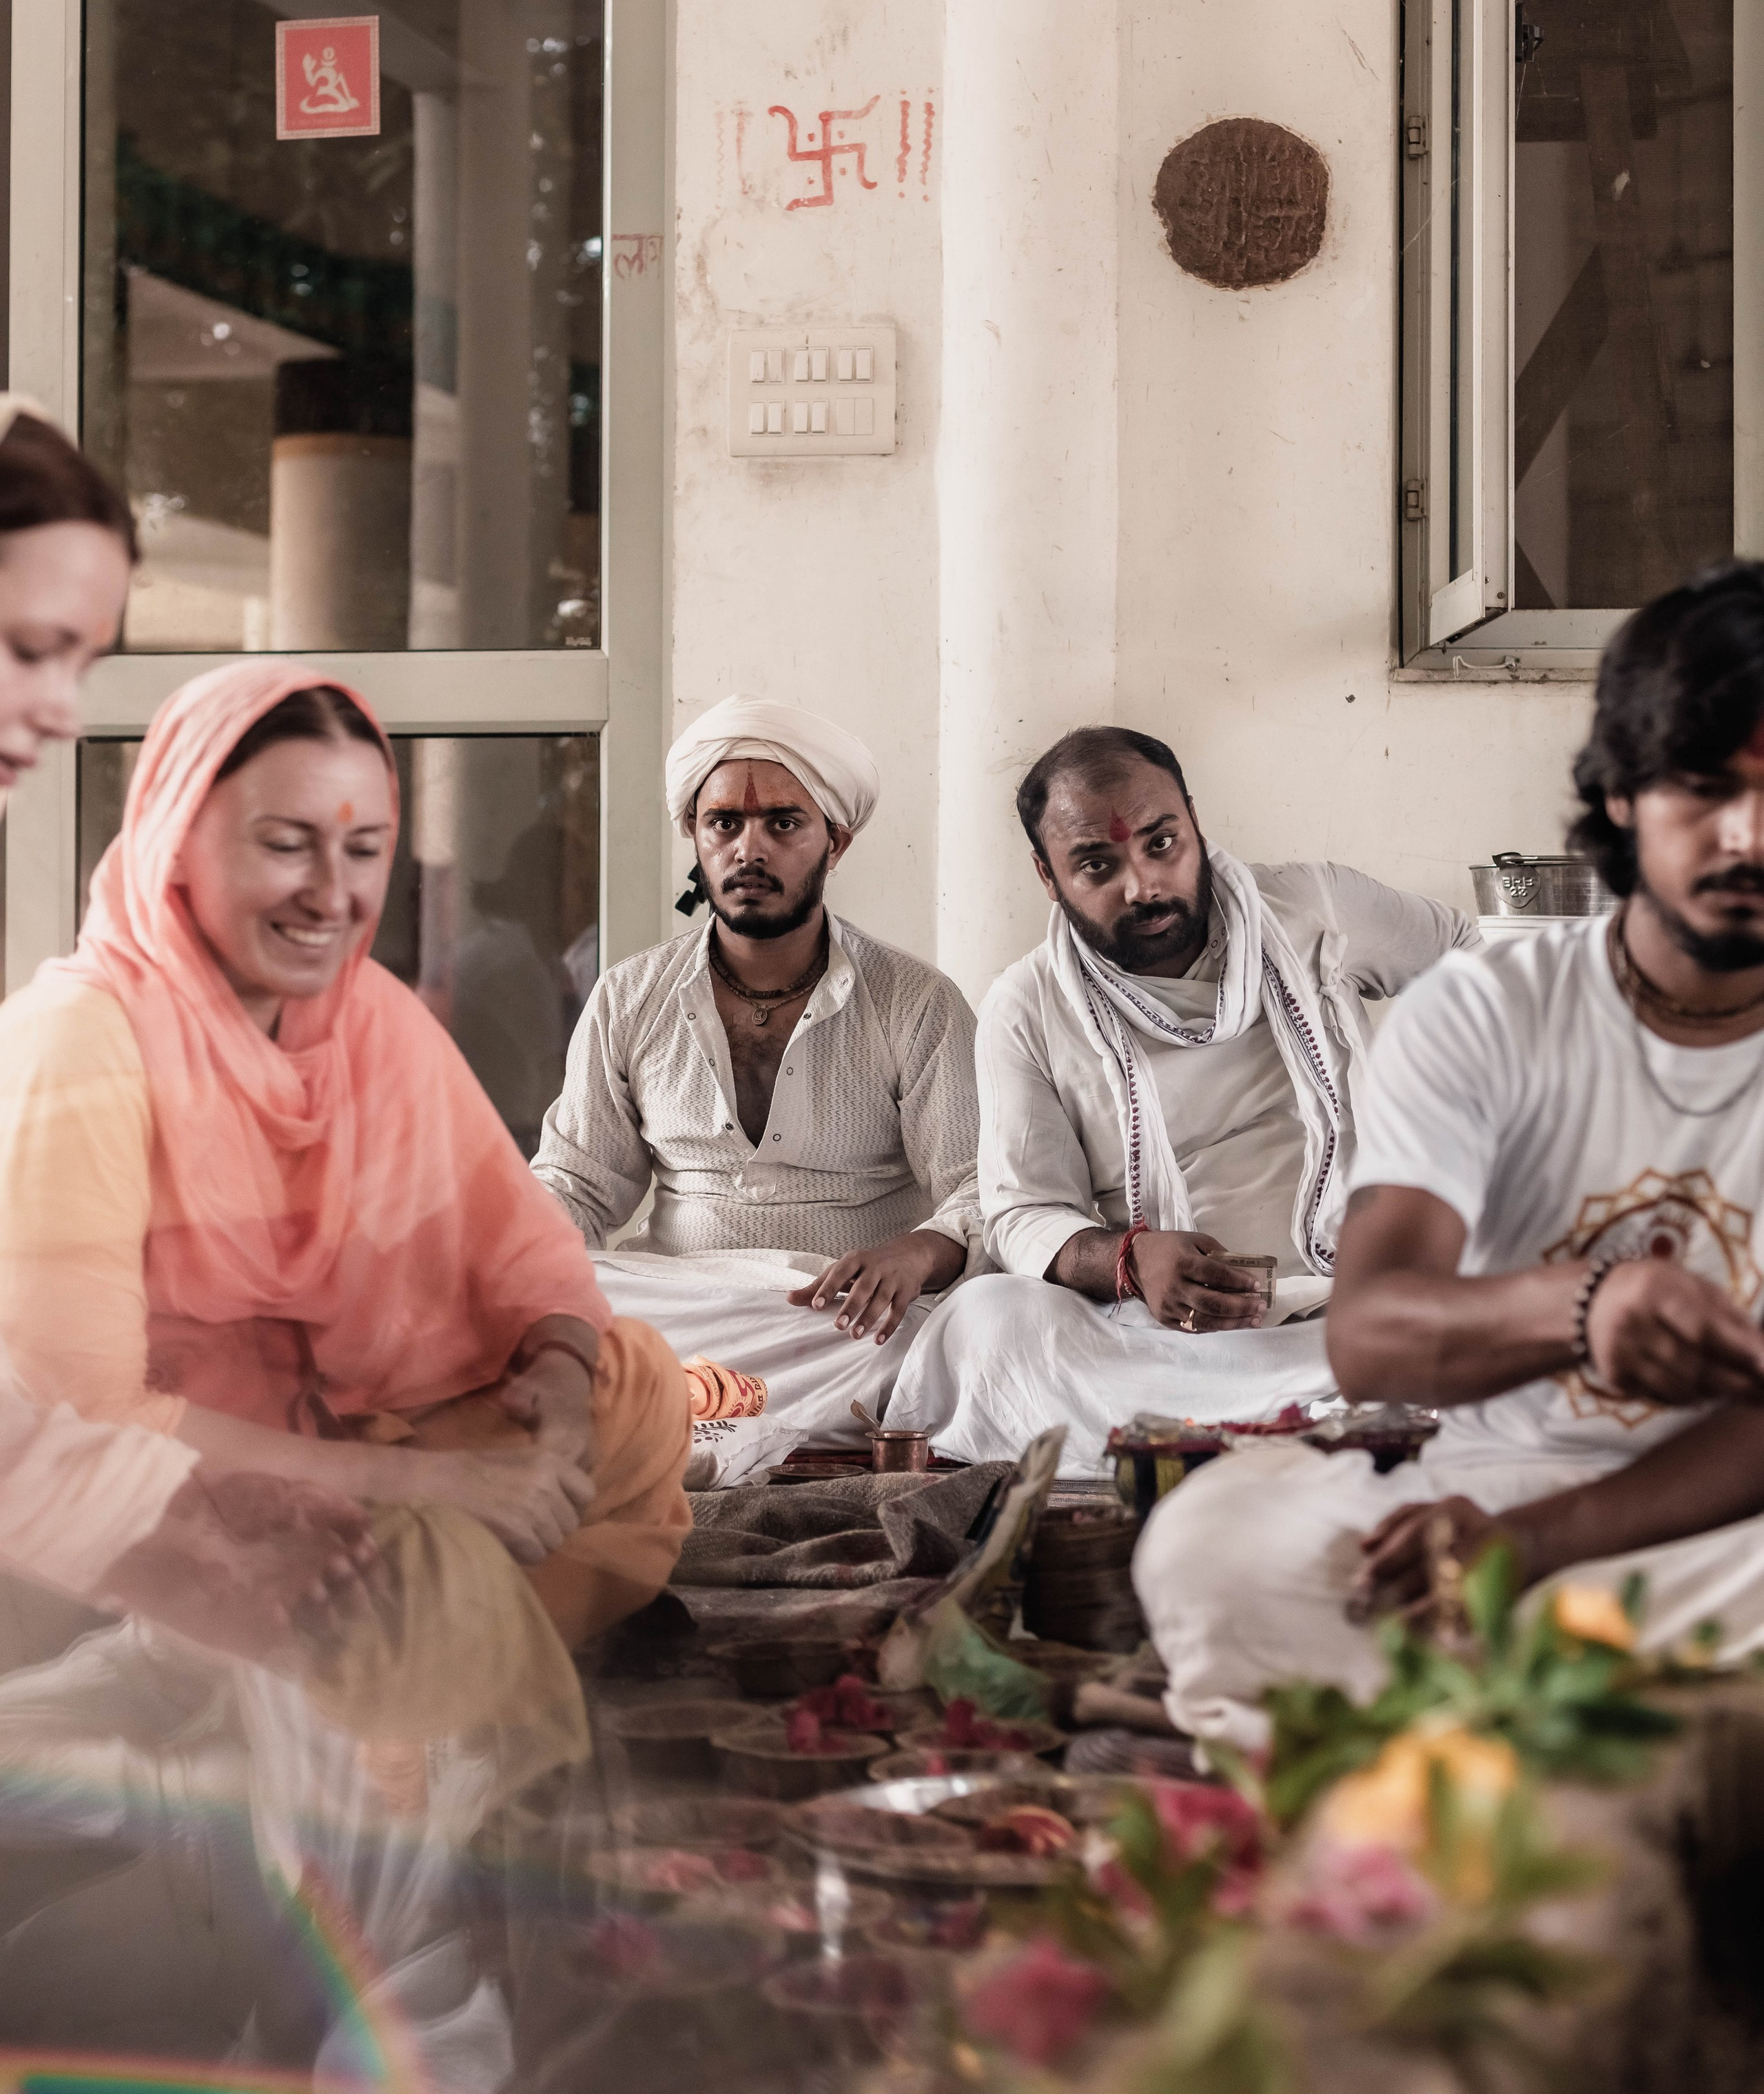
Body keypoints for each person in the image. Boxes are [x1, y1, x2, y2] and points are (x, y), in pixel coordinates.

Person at [1135, 564, 1764, 1752]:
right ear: (1624, 796)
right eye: (1705, 788)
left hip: (1715, 1527)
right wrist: (1585, 1306)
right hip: (1494, 1493)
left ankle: (1473, 1727)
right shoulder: (1488, 1009)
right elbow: (1371, 1335)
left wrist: (1537, 1551)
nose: (1750, 836)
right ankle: (1591, 1723)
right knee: (1212, 1546)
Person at [0, 655, 691, 1651]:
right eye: (287, 845)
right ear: (176, 841)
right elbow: (96, 1420)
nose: (332, 895)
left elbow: (523, 1250)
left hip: (344, 1432)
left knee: (634, 1380)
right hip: (165, 1490)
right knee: (313, 1584)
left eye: (364, 850)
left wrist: (562, 1384)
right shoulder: (79, 1042)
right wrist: (437, 1482)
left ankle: (444, 1608)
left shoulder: (365, 1018)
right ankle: (391, 1634)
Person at [0, 398, 377, 1669]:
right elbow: (73, 1396)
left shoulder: (322, 1048)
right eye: (27, 647)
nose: (57, 711)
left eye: (82, 665)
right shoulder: (81, 1040)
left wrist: (221, 1518)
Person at [886, 724, 1477, 1472]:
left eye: (1161, 843)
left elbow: (1473, 962)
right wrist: (1132, 1263)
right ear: (1047, 876)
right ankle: (1323, 1429)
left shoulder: (1309, 908)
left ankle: (1220, 1439)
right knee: (989, 1320)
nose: (1143, 885)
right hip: (1159, 1335)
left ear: (1194, 824)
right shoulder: (1027, 1006)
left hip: (1356, 1294)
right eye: (1097, 864)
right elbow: (1022, 1211)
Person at [533, 695, 983, 1443]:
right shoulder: (629, 996)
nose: (750, 849)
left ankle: (688, 1417)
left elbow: (981, 1186)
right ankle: (712, 1413)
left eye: (783, 823)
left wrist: (916, 1253)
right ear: (694, 834)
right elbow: (577, 1184)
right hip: (685, 1304)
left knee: (961, 1338)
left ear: (834, 843)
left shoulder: (916, 1002)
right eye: (724, 824)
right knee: (545, 1306)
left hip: (838, 1324)